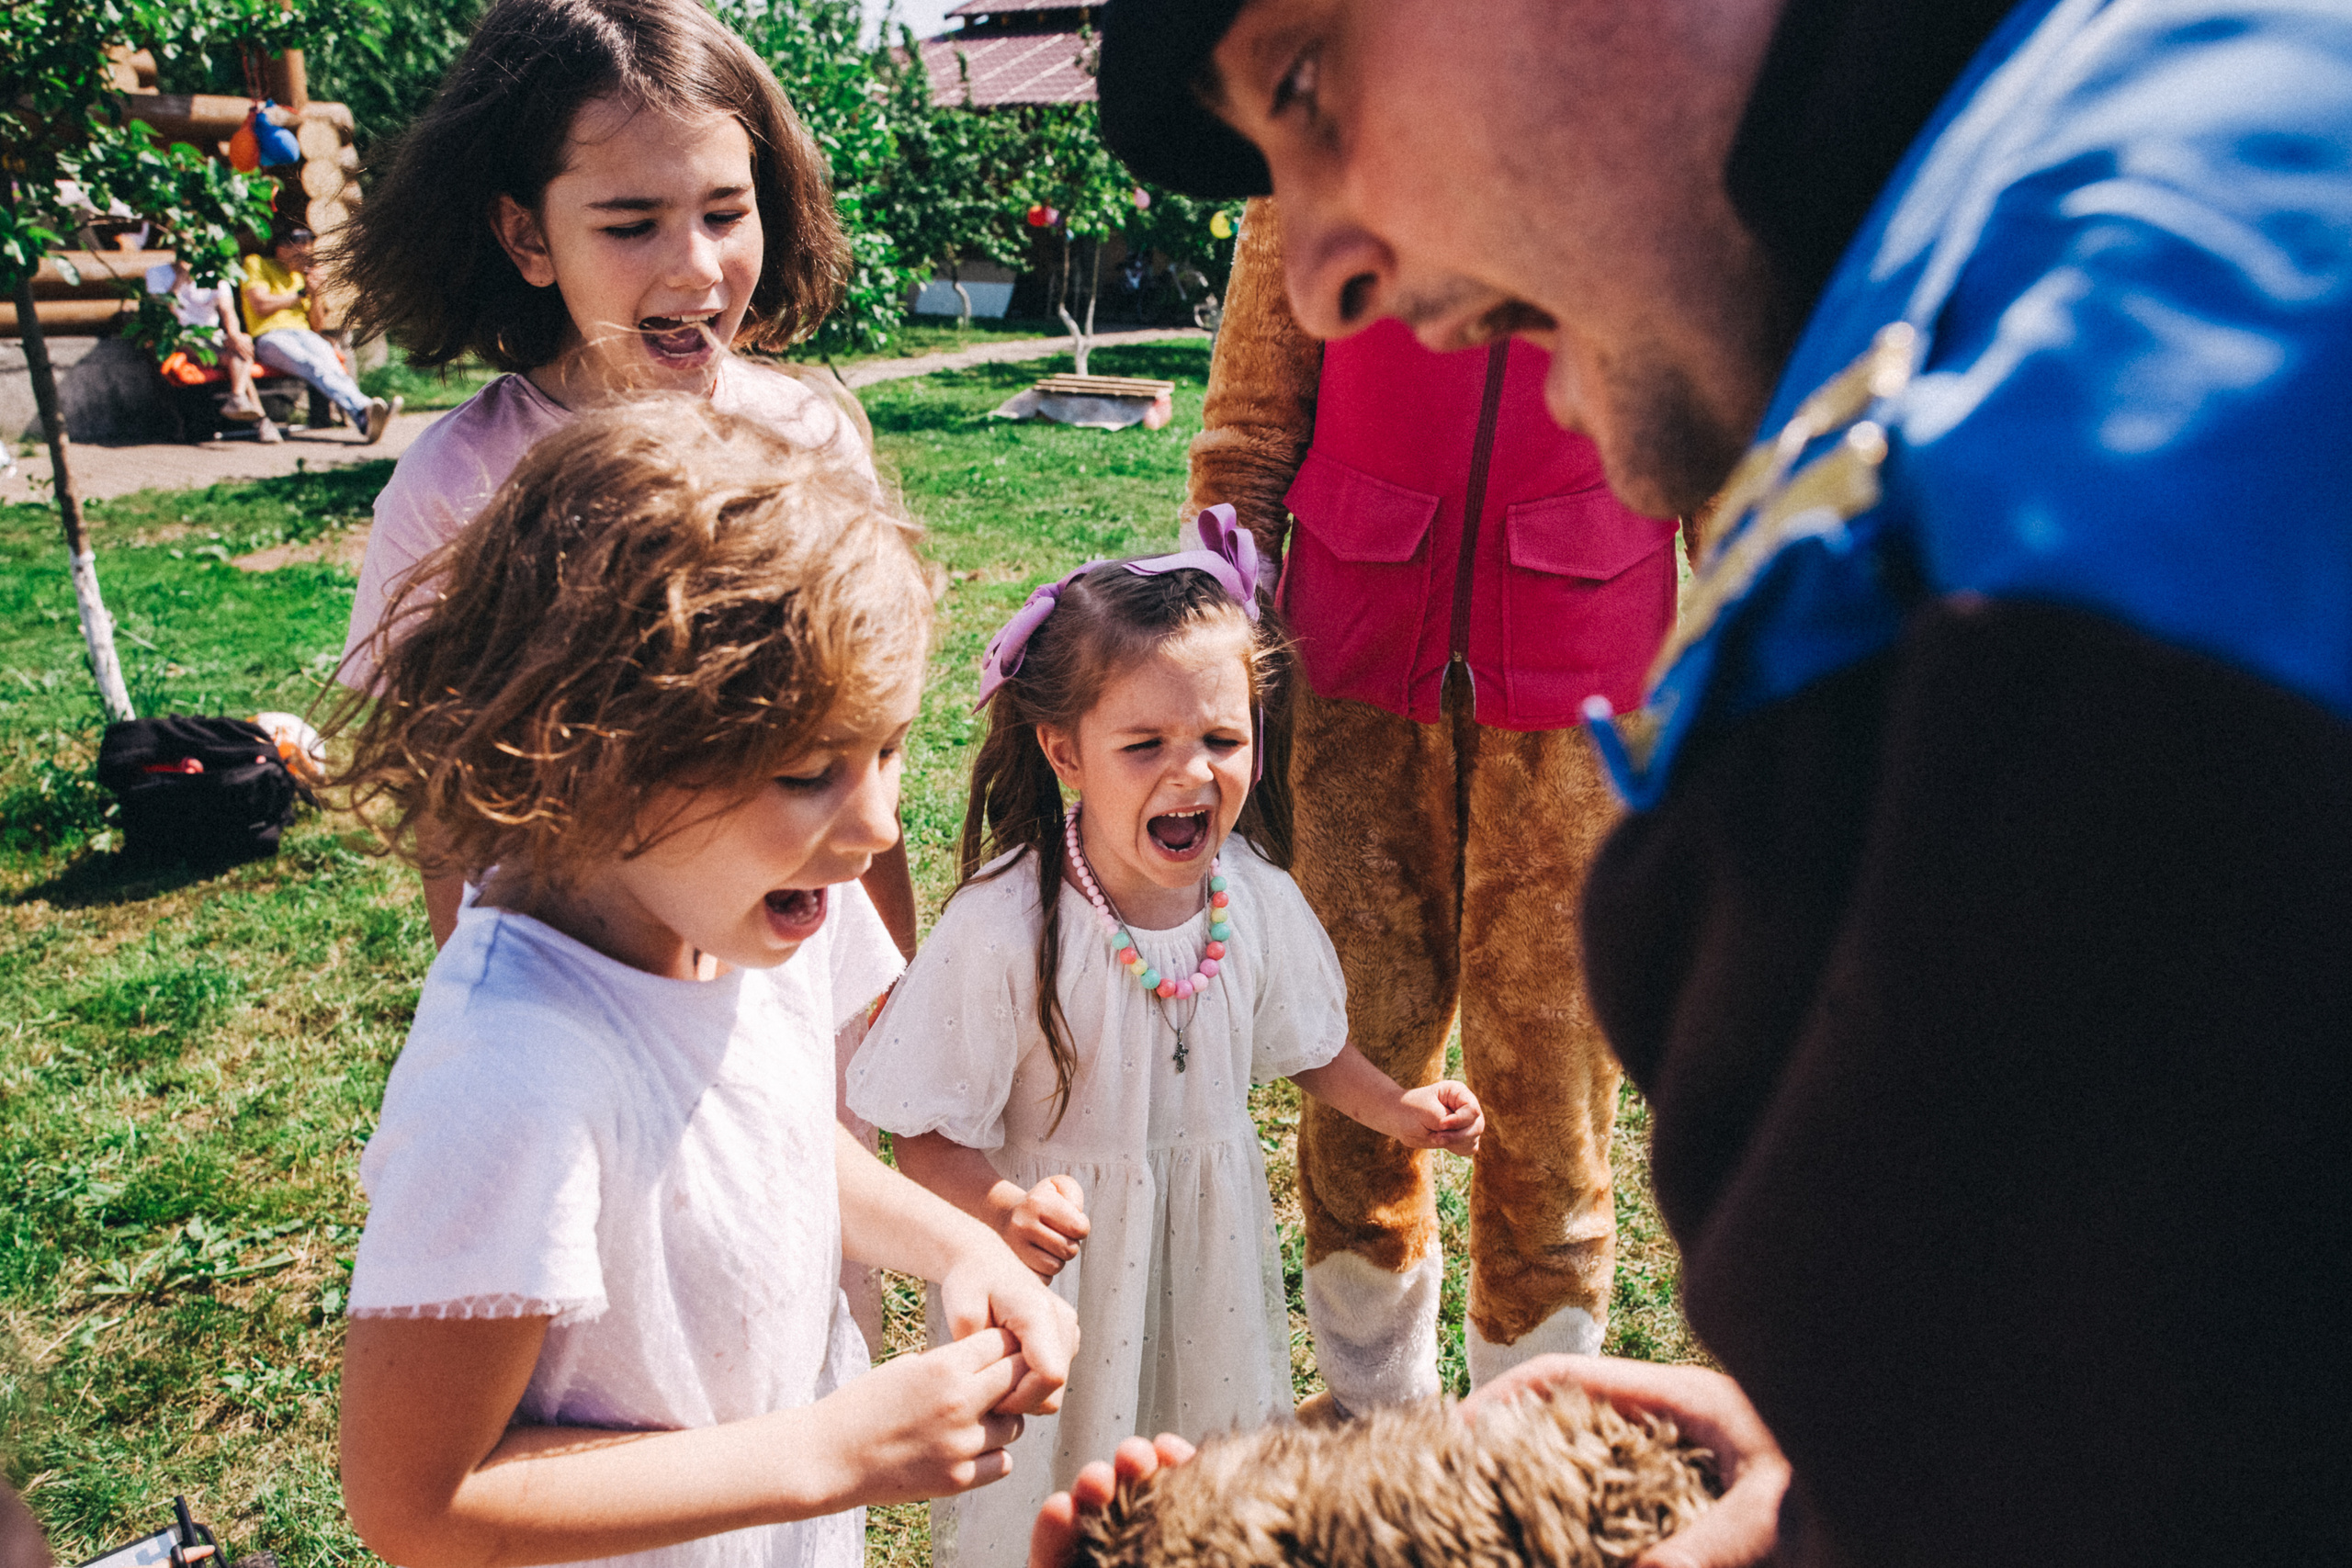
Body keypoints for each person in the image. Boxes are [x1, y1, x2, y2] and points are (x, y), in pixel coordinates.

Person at [1065, 3, 2352, 1567]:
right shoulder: (2171, 126)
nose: (1327, 265)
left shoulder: (2002, 567)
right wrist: (1839, 1481)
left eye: (1310, 84)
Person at [328, 396, 1080, 1568]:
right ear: (595, 759)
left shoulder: (741, 916)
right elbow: (417, 1500)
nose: (877, 827)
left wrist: (960, 1248)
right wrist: (827, 1452)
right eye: (806, 772)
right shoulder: (514, 1081)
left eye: (886, 751)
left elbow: (773, 1137)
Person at [845, 508, 1485, 1568]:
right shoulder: (1011, 923)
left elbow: (1308, 1043)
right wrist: (1003, 1206)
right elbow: (921, 1132)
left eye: (1221, 741)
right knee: (1058, 1493)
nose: (1190, 773)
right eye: (1144, 745)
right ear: (1065, 752)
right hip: (1059, 1282)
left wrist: (1400, 1108)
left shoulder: (1253, 896)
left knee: (1210, 1476)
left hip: (1210, 1256)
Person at [1191, 201, 1679, 1415]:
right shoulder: (1326, 158)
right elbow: (1249, 430)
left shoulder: (1654, 155)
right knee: (1350, 1057)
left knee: (1552, 1096)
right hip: (1352, 671)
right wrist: (1213, 645)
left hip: (1587, 694)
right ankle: (1373, 1418)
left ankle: (1530, 1445)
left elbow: (1723, 447)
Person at [328, 0, 917, 960]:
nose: (696, 268)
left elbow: (862, 746)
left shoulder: (808, 438)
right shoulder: (456, 484)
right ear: (526, 237)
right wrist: (465, 988)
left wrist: (899, 992)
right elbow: (440, 798)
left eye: (726, 213)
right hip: (582, 977)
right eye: (632, 224)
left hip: (795, 956)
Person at [238, 227, 396, 443]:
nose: (305, 256)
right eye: (299, 251)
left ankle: (365, 414)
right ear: (281, 249)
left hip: (305, 334)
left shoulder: (302, 276)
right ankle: (364, 412)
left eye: (308, 251)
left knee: (331, 363)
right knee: (312, 364)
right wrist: (301, 293)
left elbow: (316, 325)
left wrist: (316, 293)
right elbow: (260, 304)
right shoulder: (256, 263)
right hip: (269, 336)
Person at [145, 257, 278, 441]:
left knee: (242, 343)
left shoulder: (215, 272)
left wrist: (234, 336)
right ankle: (259, 418)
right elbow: (162, 315)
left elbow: (227, 310)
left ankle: (239, 398)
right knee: (237, 358)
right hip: (180, 337)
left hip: (212, 337)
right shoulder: (157, 272)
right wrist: (179, 281)